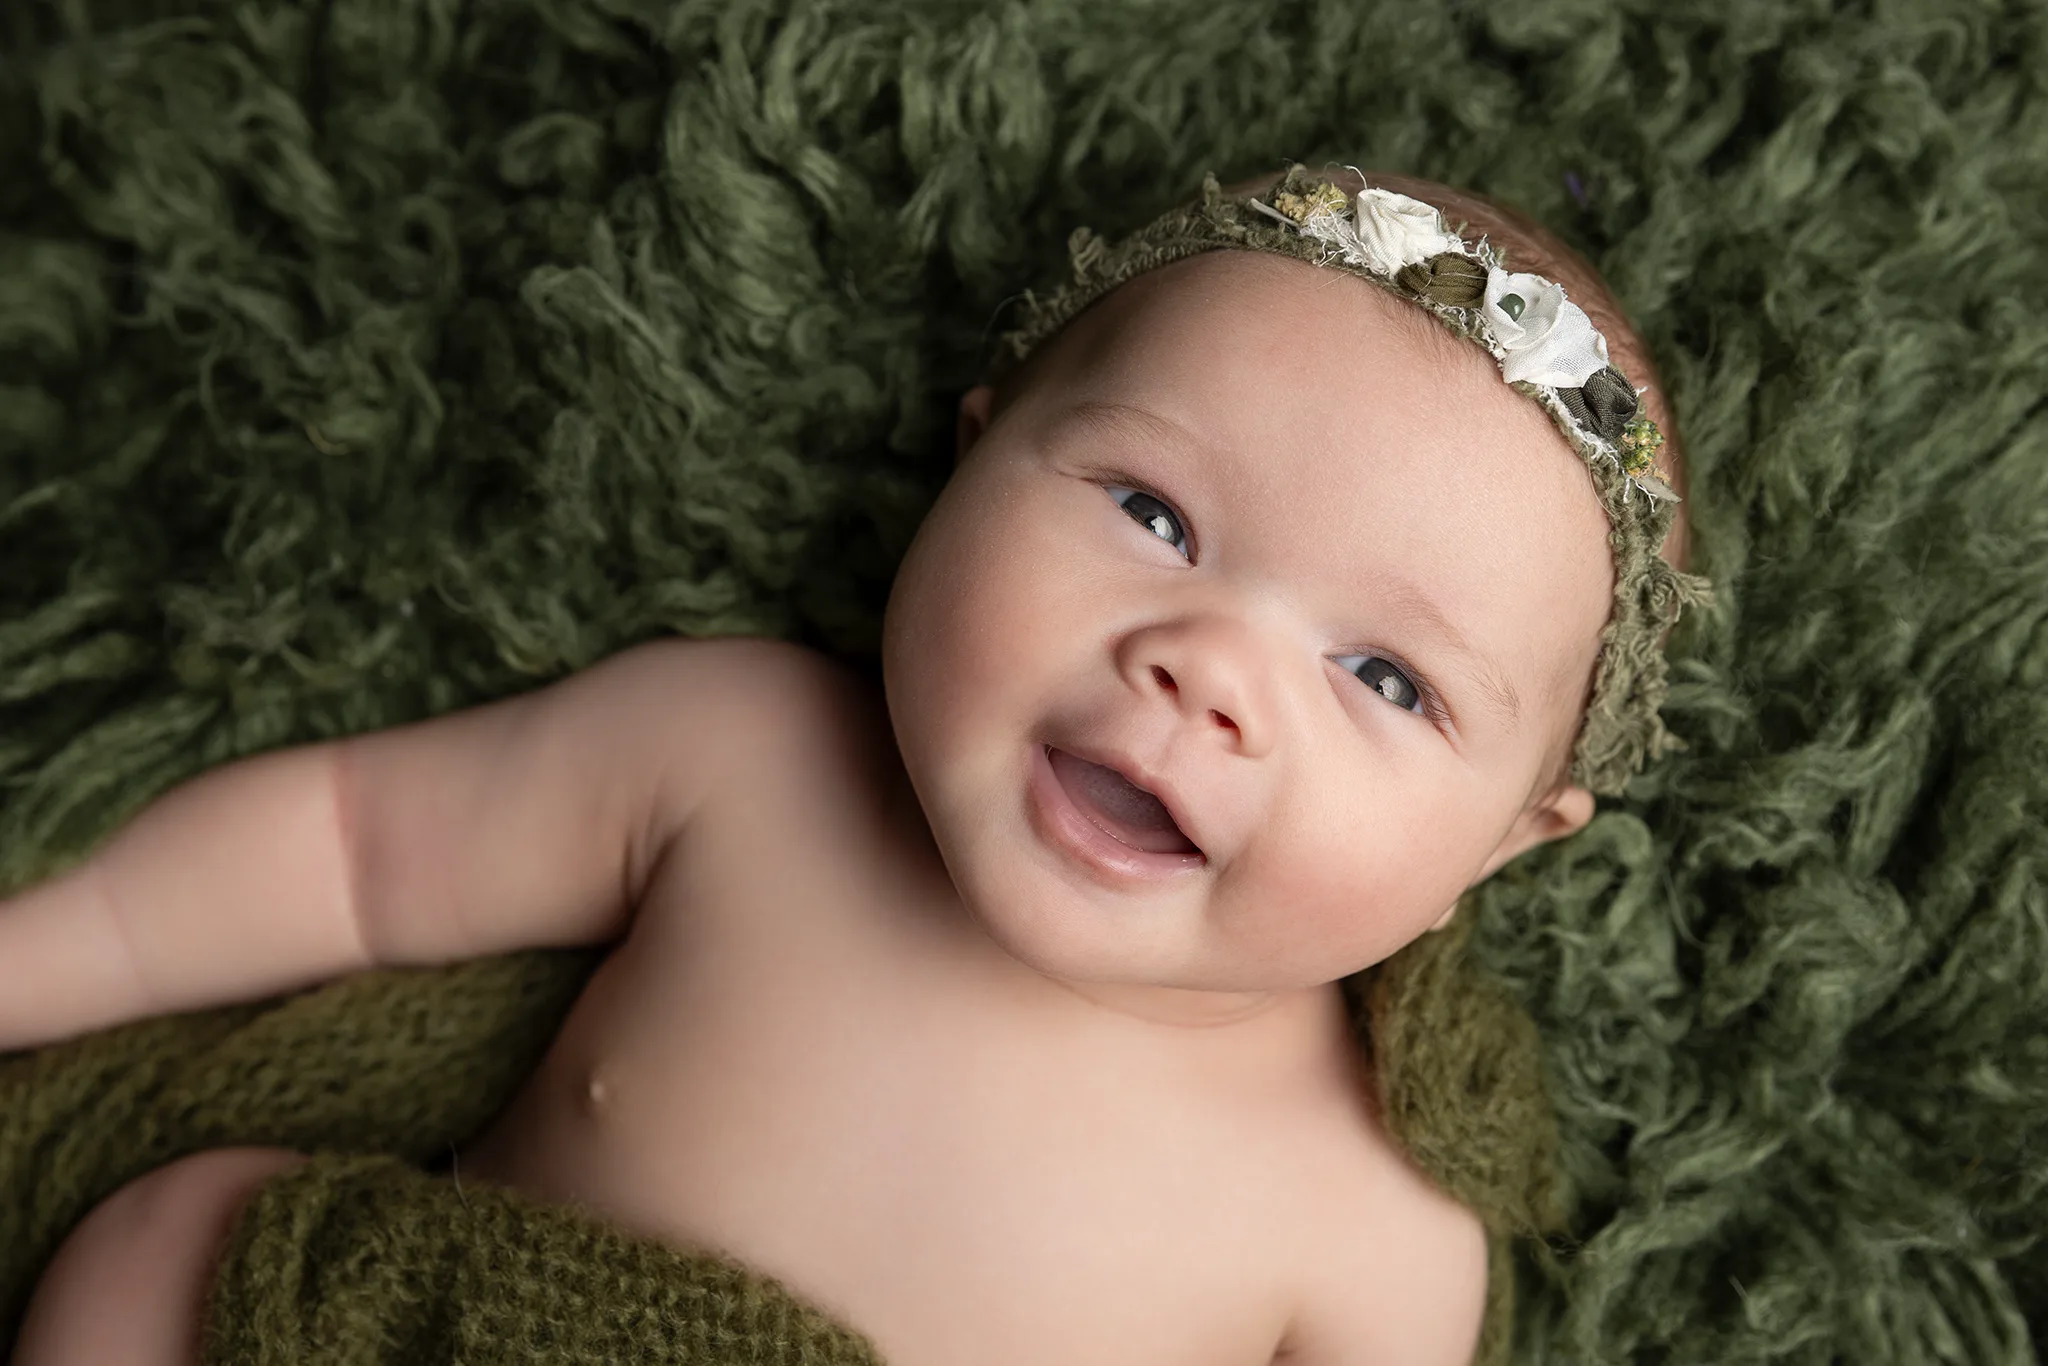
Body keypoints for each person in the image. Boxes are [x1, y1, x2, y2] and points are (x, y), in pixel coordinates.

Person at [5, 161, 1711, 1366]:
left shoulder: (1372, 1230)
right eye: (1151, 512)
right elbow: (354, 842)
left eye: (1386, 676)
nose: (1210, 670)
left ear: (1506, 841)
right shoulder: (739, 757)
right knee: (185, 1233)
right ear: (973, 460)